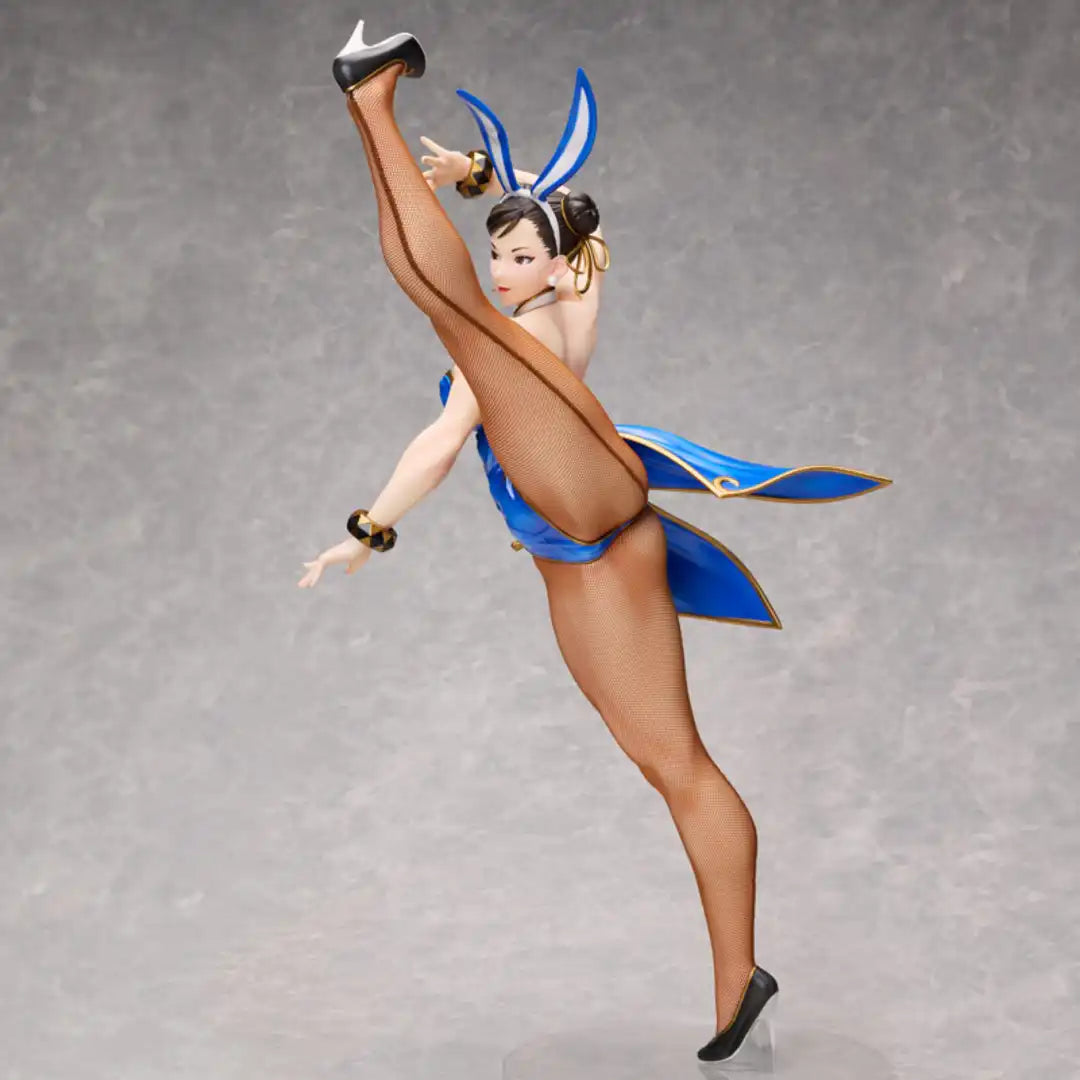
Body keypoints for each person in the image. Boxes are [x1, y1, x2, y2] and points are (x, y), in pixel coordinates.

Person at [297, 19, 891, 1064]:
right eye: (499, 252)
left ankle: (371, 98)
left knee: (450, 310)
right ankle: (740, 982)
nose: (506, 268)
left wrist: (369, 529)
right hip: (577, 545)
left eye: (522, 256)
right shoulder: (541, 309)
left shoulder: (538, 324)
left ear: (563, 263)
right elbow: (545, 238)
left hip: (594, 499)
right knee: (669, 761)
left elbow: (446, 432)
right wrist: (480, 175)